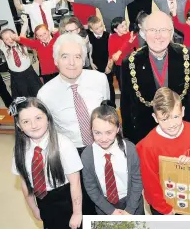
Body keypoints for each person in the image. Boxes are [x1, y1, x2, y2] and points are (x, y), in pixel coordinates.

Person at [37, 33, 110, 215]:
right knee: (85, 204)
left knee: (109, 195)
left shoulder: (100, 79)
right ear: (55, 60)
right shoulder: (45, 94)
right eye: (65, 57)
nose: (72, 63)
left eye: (77, 57)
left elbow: (109, 111)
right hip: (73, 154)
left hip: (103, 146)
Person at [121, 11, 190, 145]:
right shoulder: (130, 63)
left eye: (163, 30)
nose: (158, 36)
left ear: (171, 33)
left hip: (182, 133)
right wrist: (131, 143)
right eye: (152, 30)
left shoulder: (187, 55)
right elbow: (126, 107)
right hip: (147, 137)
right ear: (144, 33)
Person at [10, 97, 83, 229]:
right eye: (26, 121)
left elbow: (75, 183)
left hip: (65, 199)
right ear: (19, 126)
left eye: (38, 118)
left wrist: (77, 213)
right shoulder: (19, 150)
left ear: (48, 119)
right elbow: (25, 183)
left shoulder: (64, 145)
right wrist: (33, 208)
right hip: (42, 199)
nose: (34, 125)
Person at [136, 87, 190, 215]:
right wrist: (165, 209)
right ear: (155, 117)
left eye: (176, 116)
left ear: (183, 111)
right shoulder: (146, 146)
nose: (171, 124)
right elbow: (150, 185)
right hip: (165, 205)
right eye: (164, 119)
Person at [81, 101, 144, 215]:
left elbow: (137, 181)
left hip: (132, 204)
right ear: (91, 130)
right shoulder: (87, 155)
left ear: (118, 128)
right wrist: (110, 211)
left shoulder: (130, 149)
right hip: (105, 206)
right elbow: (91, 188)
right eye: (97, 133)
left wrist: (130, 210)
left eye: (109, 132)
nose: (103, 138)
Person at [0, 21, 42, 99]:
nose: (10, 40)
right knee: (24, 96)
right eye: (6, 39)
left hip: (29, 72)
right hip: (16, 76)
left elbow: (23, 31)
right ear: (3, 41)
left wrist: (25, 22)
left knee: (37, 91)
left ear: (15, 35)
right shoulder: (4, 47)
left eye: (11, 37)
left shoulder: (22, 42)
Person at [63, 0, 149, 32]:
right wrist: (73, 0)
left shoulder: (122, 0)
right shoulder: (101, 3)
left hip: (123, 31)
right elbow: (88, 1)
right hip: (109, 32)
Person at [14, 16, 59, 84]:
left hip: (58, 71)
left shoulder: (55, 41)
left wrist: (56, 33)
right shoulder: (37, 44)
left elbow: (59, 38)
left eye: (45, 33)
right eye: (40, 36)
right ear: (37, 37)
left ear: (48, 32)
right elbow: (25, 41)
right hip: (46, 73)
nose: (44, 37)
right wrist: (16, 38)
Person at [86, 16, 116, 106]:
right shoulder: (89, 36)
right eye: (97, 28)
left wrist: (109, 66)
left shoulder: (108, 35)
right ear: (91, 30)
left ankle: (112, 105)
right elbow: (90, 51)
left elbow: (111, 52)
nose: (100, 29)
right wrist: (91, 63)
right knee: (98, 86)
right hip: (96, 65)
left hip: (107, 64)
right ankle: (101, 105)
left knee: (109, 85)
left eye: (101, 26)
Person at [109, 17, 138, 90]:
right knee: (123, 88)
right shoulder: (112, 38)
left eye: (125, 24)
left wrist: (119, 52)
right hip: (120, 67)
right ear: (115, 29)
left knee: (134, 87)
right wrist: (128, 43)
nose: (125, 27)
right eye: (122, 26)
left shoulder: (131, 35)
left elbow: (137, 49)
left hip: (131, 64)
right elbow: (114, 57)